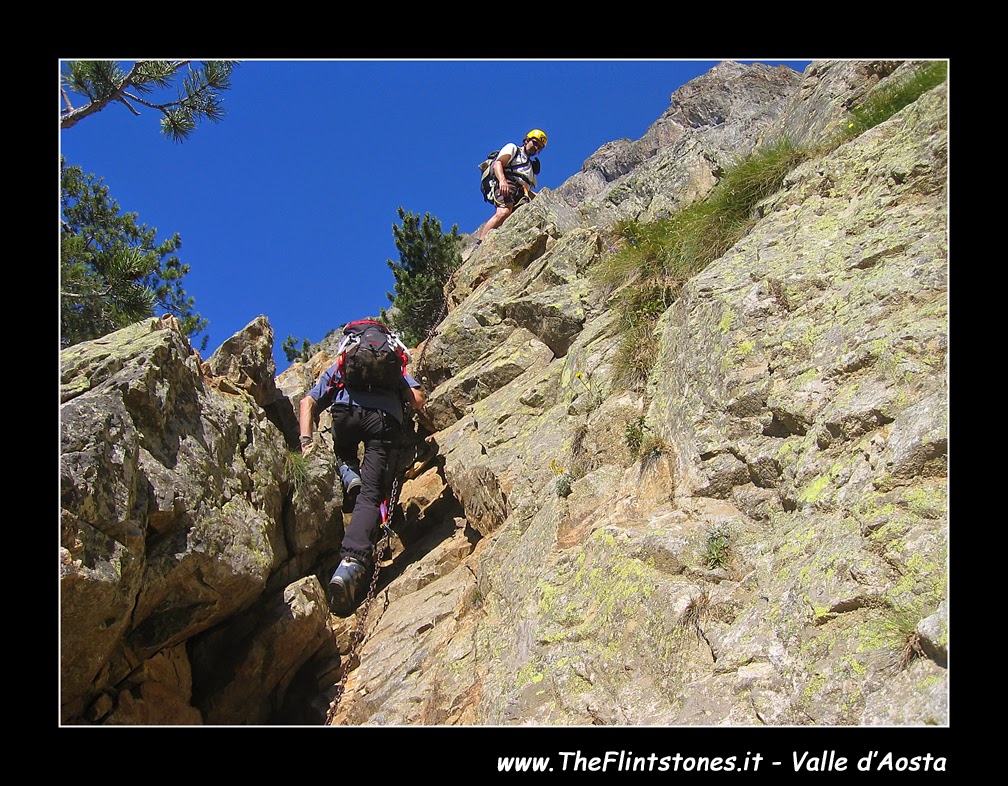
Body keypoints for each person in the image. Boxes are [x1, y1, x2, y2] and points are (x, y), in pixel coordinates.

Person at [298, 324, 427, 617]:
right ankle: (350, 565)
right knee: (371, 495)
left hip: (346, 414)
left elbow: (308, 402)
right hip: (384, 421)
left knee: (344, 450)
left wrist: (306, 443)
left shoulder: (344, 361)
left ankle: (349, 474)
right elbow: (417, 399)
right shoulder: (391, 362)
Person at [477, 128, 548, 243]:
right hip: (506, 184)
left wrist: (542, 198)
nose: (536, 148)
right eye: (535, 143)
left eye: (539, 147)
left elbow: (527, 189)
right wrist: (502, 181)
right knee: (504, 211)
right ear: (527, 140)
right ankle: (480, 243)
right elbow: (498, 163)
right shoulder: (513, 149)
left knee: (523, 218)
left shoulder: (531, 168)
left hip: (521, 194)